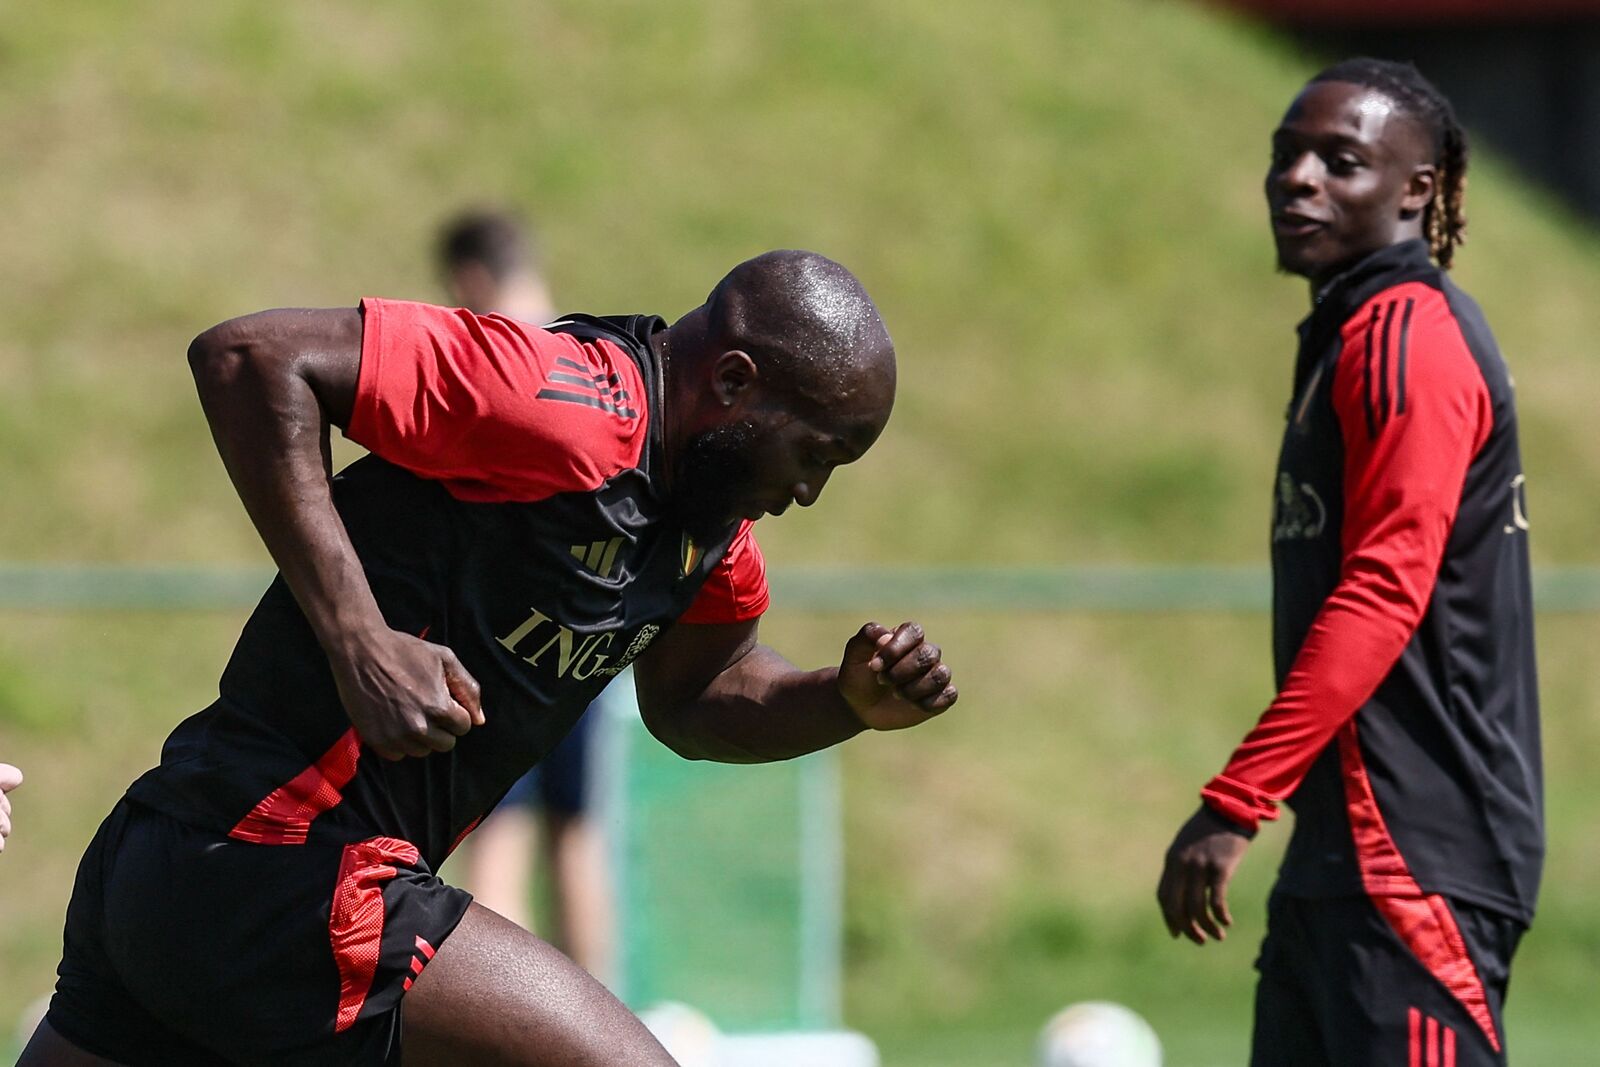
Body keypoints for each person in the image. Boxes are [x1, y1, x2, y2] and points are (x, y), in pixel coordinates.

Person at [21, 249, 958, 1067]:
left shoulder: (709, 534)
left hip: (178, 873)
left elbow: (699, 695)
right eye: (814, 452)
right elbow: (250, 357)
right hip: (280, 866)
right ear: (734, 381)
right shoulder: (563, 402)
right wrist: (360, 640)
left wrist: (842, 701)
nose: (810, 490)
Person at [1155, 59, 1541, 1067]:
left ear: (1418, 189)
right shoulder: (1350, 332)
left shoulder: (1406, 335)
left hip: (1412, 860)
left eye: (1340, 160)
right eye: (1286, 155)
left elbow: (1383, 588)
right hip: (1343, 859)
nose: (1298, 178)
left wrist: (1236, 798)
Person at [437, 207, 614, 976]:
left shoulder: (496, 360)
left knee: (498, 830)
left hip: (503, 634)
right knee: (578, 828)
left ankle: (498, 1024)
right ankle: (600, 1018)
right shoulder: (602, 360)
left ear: (472, 277)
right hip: (593, 628)